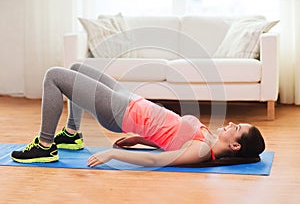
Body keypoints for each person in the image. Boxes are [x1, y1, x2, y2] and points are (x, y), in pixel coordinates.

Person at [11, 63, 265, 167]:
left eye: (237, 127)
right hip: (131, 100)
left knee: (54, 76)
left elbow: (157, 161)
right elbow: (170, 137)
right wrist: (139, 140)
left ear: (235, 144)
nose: (231, 123)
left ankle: (45, 146)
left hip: (121, 112)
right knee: (77, 68)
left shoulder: (200, 152)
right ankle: (71, 135)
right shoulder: (208, 137)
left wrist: (112, 153)